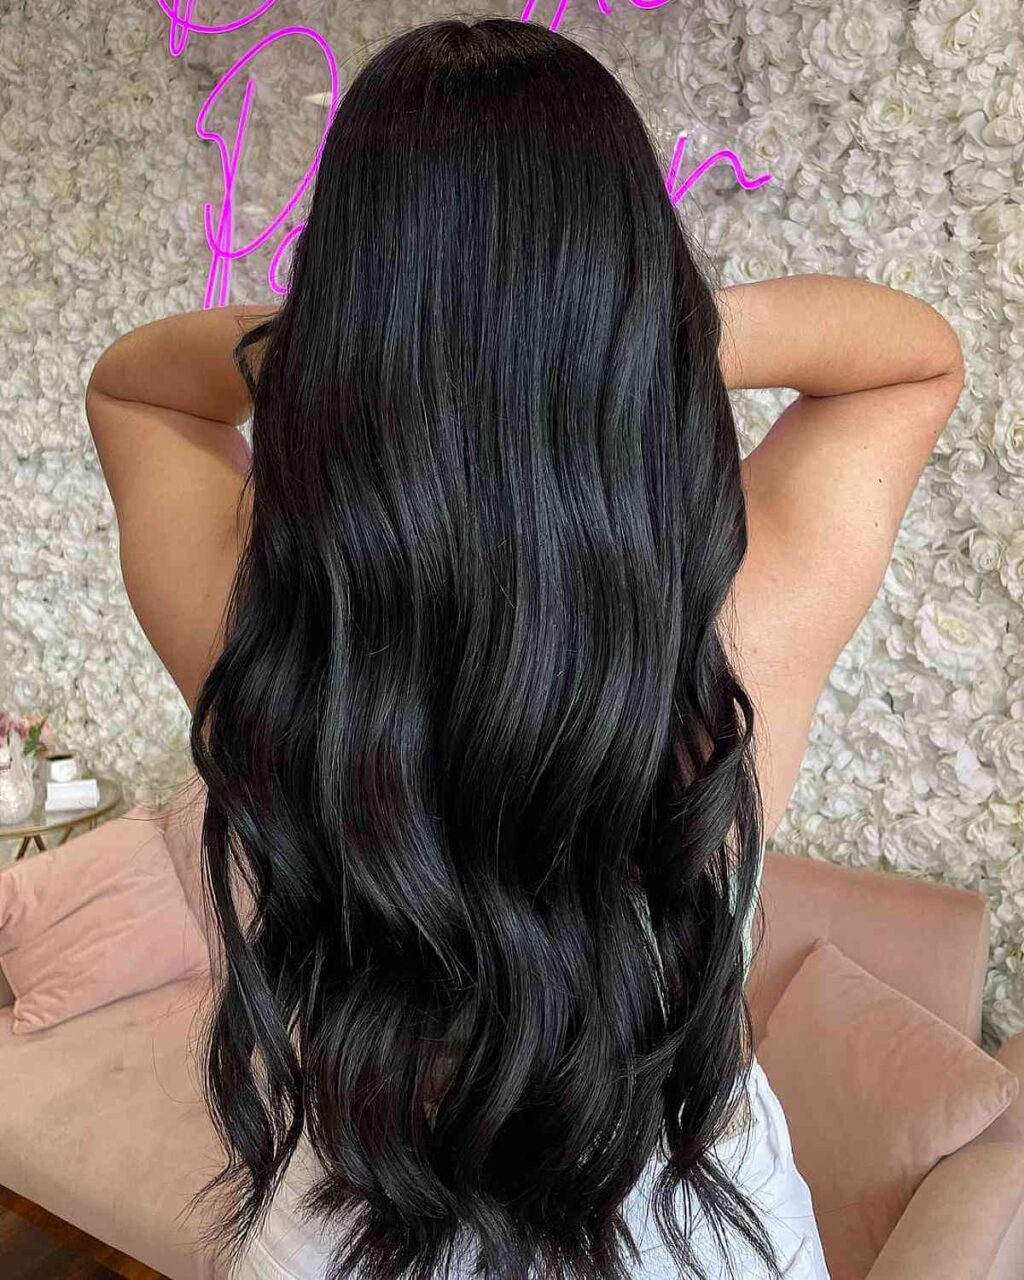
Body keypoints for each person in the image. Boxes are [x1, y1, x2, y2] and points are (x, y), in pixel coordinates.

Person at [84, 15, 964, 1280]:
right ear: (627, 264)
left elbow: (134, 385)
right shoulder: (748, 596)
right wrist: (614, 338)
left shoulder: (256, 607)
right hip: (688, 1231)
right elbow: (910, 355)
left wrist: (369, 343)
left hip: (345, 1234)